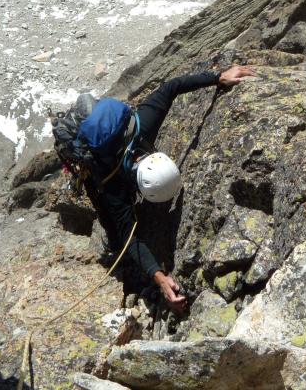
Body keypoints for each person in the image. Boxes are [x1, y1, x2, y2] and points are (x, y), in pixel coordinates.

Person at [90, 64, 256, 314]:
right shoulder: (111, 183)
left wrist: (218, 77)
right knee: (114, 229)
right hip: (95, 166)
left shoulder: (144, 126)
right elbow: (129, 238)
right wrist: (159, 278)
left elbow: (171, 88)